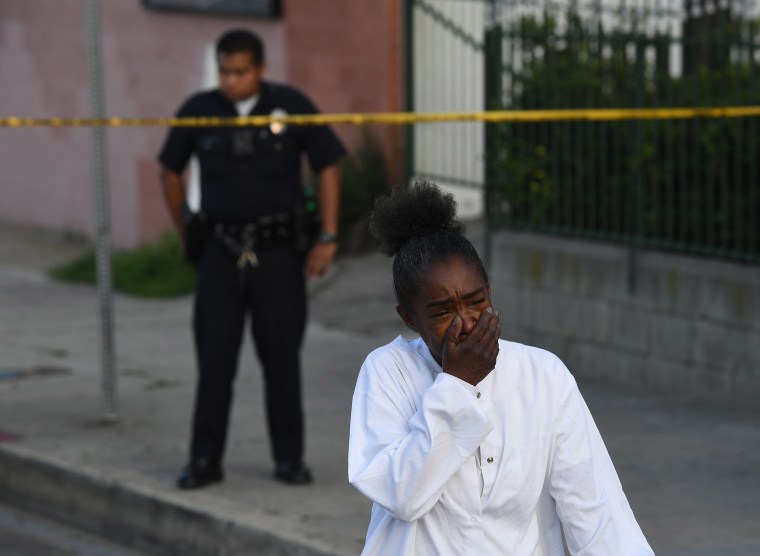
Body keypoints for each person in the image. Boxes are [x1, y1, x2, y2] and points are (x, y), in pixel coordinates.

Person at [348, 181, 654, 554]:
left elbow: (596, 509)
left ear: (490, 292)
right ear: (410, 318)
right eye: (443, 312)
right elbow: (402, 495)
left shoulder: (543, 375)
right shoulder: (386, 372)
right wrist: (458, 384)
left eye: (475, 302)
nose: (467, 323)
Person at [158, 29, 346, 488]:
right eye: (224, 71)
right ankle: (204, 460)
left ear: (260, 69)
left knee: (282, 359)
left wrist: (328, 233)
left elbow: (327, 164)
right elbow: (169, 168)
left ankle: (289, 459)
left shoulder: (290, 104)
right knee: (215, 361)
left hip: (278, 253)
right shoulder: (200, 111)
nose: (230, 80)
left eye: (240, 72)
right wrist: (185, 226)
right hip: (220, 252)